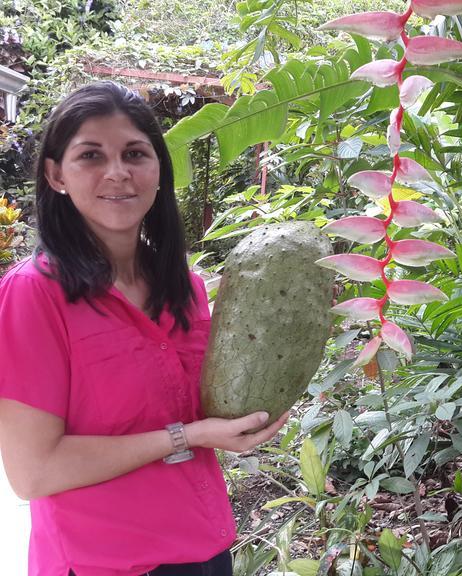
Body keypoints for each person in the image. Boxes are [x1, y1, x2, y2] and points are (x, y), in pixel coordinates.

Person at [0, 81, 290, 576]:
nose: (118, 173)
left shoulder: (187, 287)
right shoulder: (33, 295)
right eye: (91, 155)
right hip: (105, 561)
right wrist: (187, 436)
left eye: (135, 153)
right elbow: (34, 472)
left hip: (205, 545)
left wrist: (290, 317)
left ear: (159, 170)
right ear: (56, 175)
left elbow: (209, 407)